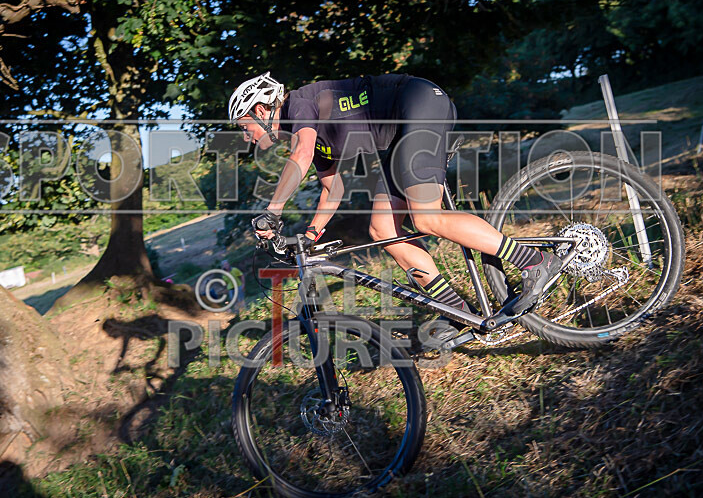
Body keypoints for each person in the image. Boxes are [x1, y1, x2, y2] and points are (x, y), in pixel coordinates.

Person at [229, 72, 562, 316]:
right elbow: (333, 188)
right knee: (383, 230)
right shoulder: (307, 134)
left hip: (419, 105)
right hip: (402, 135)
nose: (247, 138)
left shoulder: (298, 106)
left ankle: (535, 261)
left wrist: (272, 211)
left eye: (245, 128)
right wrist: (311, 234)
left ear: (260, 111)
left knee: (426, 218)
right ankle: (456, 312)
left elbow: (299, 157)